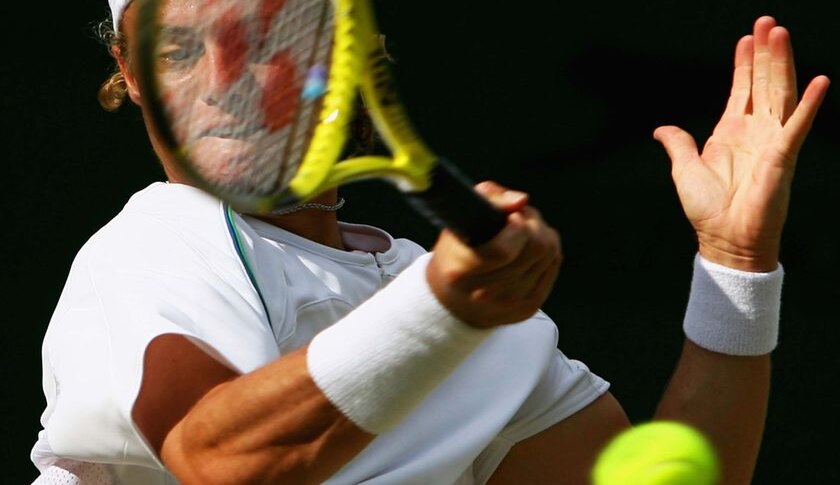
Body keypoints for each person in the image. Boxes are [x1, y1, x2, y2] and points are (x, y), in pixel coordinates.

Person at [30, 1, 829, 484]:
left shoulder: (424, 284)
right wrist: (443, 309)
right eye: (175, 51)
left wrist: (736, 264)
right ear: (128, 75)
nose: (215, 81)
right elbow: (222, 464)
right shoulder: (151, 246)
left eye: (257, 38)